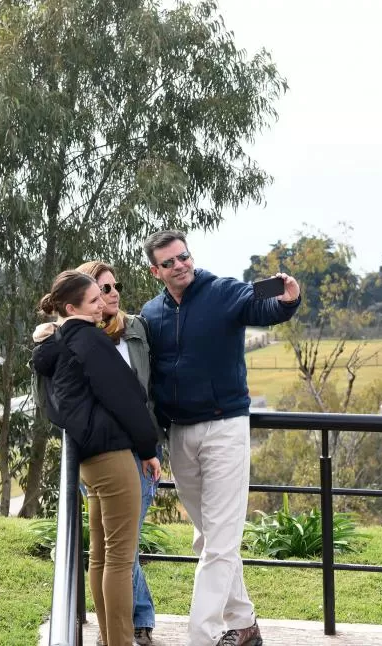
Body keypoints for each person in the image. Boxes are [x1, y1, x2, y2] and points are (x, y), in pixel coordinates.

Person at [140, 230, 301, 646]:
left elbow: (262, 307)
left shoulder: (221, 292)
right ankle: (244, 622)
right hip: (179, 433)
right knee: (209, 538)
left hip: (225, 428)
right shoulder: (152, 314)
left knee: (220, 541)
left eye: (184, 257)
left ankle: (202, 636)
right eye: (170, 262)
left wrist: (287, 300)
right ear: (155, 270)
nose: (181, 265)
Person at [32, 270, 161, 646]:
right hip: (114, 456)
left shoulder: (57, 343)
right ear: (72, 307)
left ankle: (109, 639)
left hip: (88, 458)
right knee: (119, 559)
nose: (103, 303)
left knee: (102, 556)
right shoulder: (89, 340)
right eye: (94, 300)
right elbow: (126, 397)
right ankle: (118, 641)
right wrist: (148, 448)